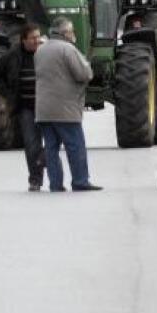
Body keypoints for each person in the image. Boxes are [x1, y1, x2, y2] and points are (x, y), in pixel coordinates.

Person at [34, 18, 101, 192]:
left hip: (44, 109)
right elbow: (83, 74)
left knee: (51, 148)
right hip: (65, 108)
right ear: (65, 33)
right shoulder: (68, 49)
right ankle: (80, 181)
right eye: (71, 31)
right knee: (75, 146)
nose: (73, 35)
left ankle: (55, 184)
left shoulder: (40, 50)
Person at [0, 24, 45, 191]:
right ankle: (35, 179)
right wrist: (7, 94)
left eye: (38, 37)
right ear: (24, 40)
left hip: (47, 106)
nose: (37, 40)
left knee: (51, 144)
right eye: (33, 38)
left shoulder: (45, 53)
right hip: (25, 107)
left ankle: (55, 177)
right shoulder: (12, 56)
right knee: (31, 143)